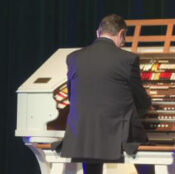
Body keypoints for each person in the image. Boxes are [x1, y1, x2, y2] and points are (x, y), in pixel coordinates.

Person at [61, 14, 153, 174]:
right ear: (121, 34)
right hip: (117, 134)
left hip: (81, 132)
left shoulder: (73, 58)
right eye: (124, 38)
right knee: (145, 148)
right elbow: (142, 102)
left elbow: (71, 97)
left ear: (98, 33)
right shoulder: (128, 59)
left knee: (92, 142)